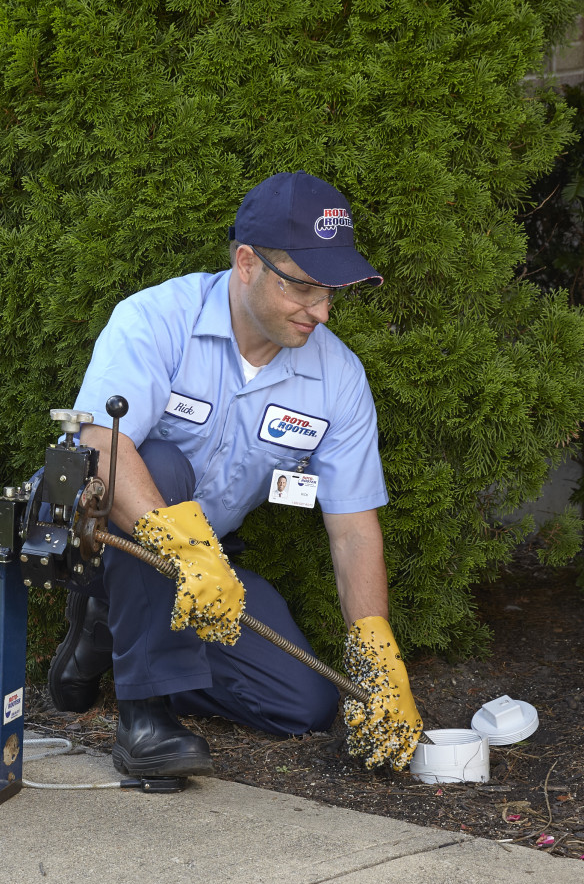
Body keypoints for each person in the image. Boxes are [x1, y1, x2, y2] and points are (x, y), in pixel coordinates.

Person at [47, 170, 422, 777]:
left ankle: (113, 640)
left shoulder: (339, 379)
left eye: (332, 292)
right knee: (161, 462)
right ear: (247, 262)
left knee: (303, 703)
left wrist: (377, 654)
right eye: (304, 288)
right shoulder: (156, 318)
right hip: (92, 535)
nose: (322, 312)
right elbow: (99, 446)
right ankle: (145, 719)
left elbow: (352, 528)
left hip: (198, 566)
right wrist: (188, 549)